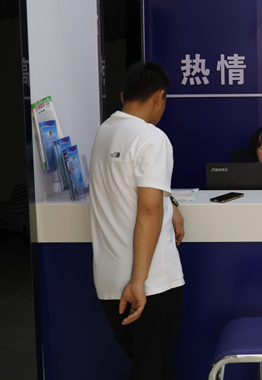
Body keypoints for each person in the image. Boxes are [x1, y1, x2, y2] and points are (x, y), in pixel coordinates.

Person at [89, 61, 185, 380]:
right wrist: (138, 282)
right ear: (159, 96)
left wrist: (170, 202)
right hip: (149, 284)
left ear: (123, 96)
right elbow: (148, 211)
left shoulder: (104, 132)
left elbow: (132, 189)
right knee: (153, 370)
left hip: (109, 282)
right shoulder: (151, 138)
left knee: (149, 368)